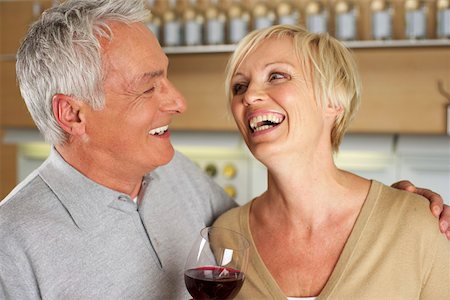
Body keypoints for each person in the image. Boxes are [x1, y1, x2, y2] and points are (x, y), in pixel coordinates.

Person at [0, 1, 447, 299]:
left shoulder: (181, 179)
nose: (178, 102)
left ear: (336, 100)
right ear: (73, 115)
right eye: (148, 87)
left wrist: (400, 213)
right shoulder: (12, 243)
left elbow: (293, 217)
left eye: (277, 76)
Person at [213, 24, 450, 299]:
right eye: (239, 86)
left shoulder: (416, 224)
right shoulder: (224, 238)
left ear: (333, 100)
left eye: (277, 76)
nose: (249, 96)